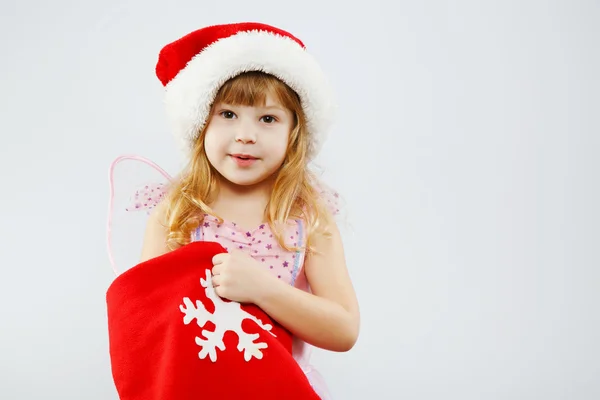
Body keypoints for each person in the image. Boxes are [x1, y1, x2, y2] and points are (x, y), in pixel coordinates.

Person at [110, 22, 359, 399]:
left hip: (277, 389)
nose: (245, 134)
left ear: (294, 134)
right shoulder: (177, 213)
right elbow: (147, 324)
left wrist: (263, 290)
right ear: (200, 123)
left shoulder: (307, 221)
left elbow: (343, 330)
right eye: (227, 114)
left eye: (268, 118)